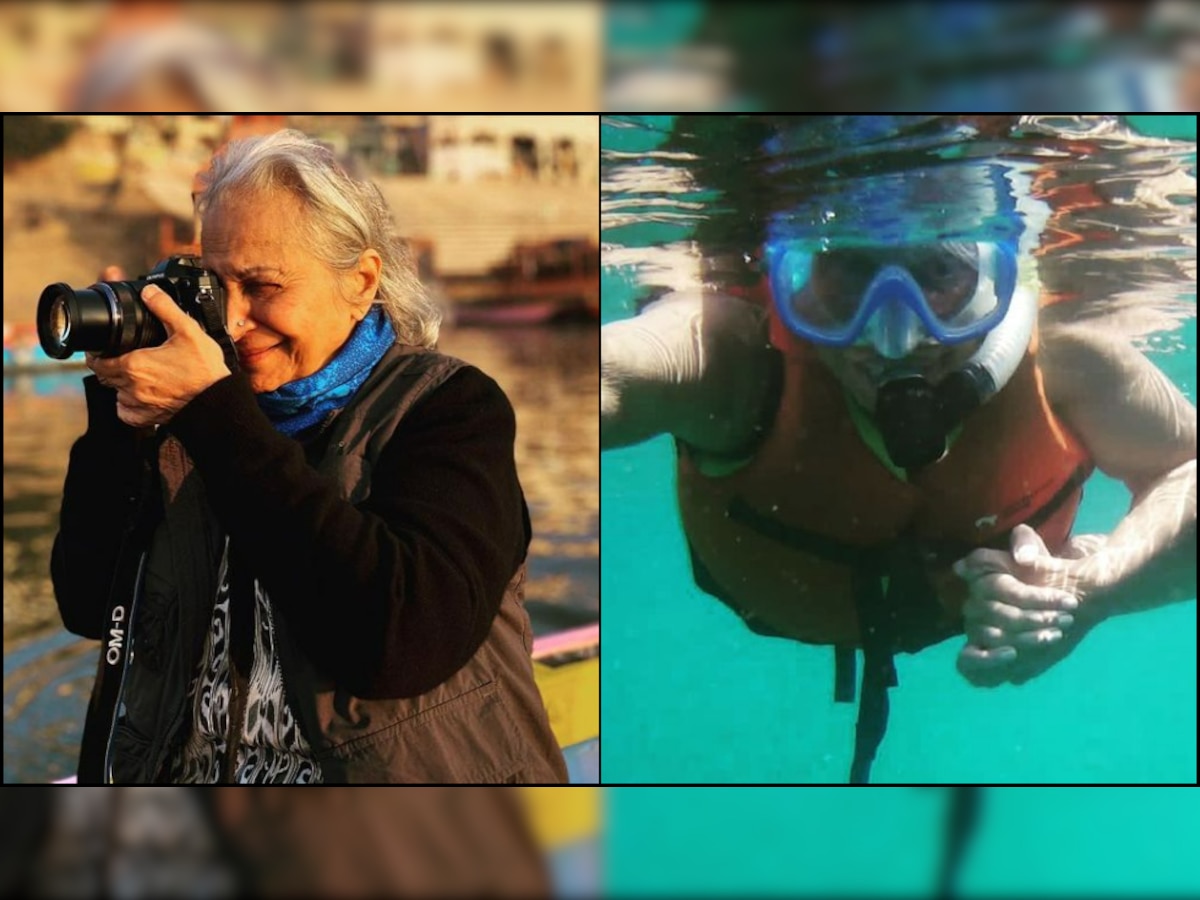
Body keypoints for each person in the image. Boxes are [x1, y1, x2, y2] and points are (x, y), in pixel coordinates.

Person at [602, 120, 1196, 783]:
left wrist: (1089, 588)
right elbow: (602, 374)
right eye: (845, 274)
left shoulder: (1068, 367)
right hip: (770, 609)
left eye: (940, 272)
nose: (895, 336)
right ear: (789, 282)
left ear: (997, 281)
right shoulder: (731, 360)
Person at [52, 129, 567, 784]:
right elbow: (87, 603)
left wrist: (214, 411)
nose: (234, 321)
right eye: (217, 286)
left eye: (263, 285)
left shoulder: (451, 411)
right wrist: (117, 417)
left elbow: (397, 641)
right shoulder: (194, 420)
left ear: (360, 281)